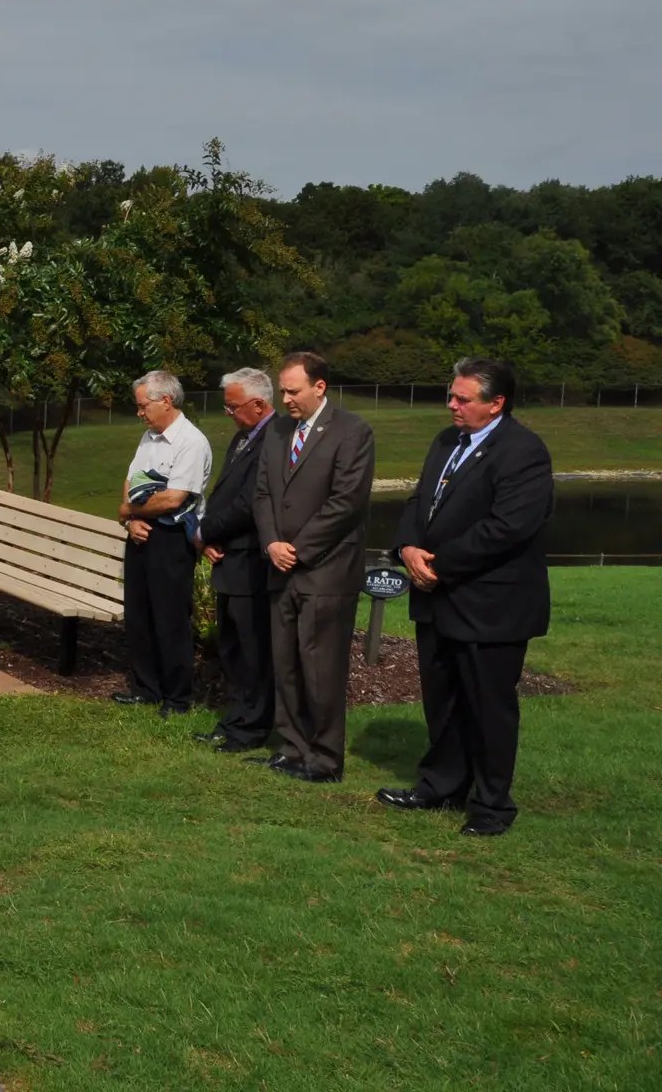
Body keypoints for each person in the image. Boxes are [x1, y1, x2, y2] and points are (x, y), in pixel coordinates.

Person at [381, 357, 553, 836]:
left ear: (496, 403)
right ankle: (441, 784)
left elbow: (508, 528)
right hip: (437, 600)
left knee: (487, 706)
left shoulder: (523, 451)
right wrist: (407, 547)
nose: (451, 405)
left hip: (490, 605)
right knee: (443, 699)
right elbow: (420, 501)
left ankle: (492, 805)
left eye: (463, 398)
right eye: (451, 396)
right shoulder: (445, 442)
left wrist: (439, 564)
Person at [251, 351, 376, 783]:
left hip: (326, 570)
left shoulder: (352, 431)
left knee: (320, 667)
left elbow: (347, 502)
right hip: (279, 567)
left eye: (292, 390)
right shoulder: (277, 431)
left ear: (319, 387)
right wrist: (270, 542)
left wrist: (298, 548)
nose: (284, 399)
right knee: (284, 662)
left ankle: (325, 758)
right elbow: (263, 492)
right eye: (281, 390)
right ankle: (292, 747)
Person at [111, 370, 213, 716]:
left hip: (171, 540)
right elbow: (131, 480)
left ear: (165, 400)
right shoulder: (149, 438)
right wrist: (132, 518)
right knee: (139, 614)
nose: (139, 413)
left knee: (170, 618)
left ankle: (177, 697)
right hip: (141, 533)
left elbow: (174, 499)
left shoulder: (191, 442)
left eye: (143, 406)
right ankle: (146, 687)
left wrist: (129, 509)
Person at [193, 368, 277, 751]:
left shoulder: (273, 439)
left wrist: (206, 532)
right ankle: (236, 718)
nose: (228, 414)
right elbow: (225, 493)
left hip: (250, 560)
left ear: (259, 404)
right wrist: (209, 538)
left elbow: (249, 504)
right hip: (229, 556)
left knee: (252, 647)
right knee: (231, 644)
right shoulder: (245, 437)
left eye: (233, 407)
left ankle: (253, 726)